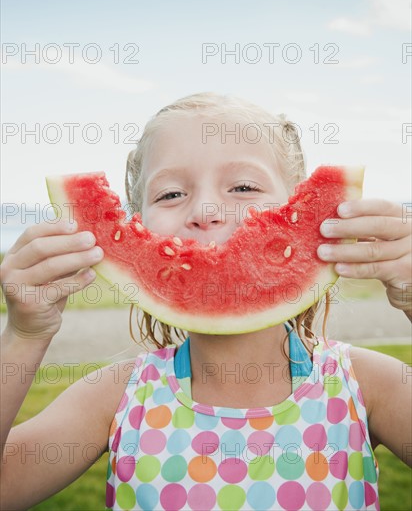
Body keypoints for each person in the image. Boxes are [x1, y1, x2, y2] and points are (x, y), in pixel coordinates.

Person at [1, 92, 411, 511]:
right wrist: (24, 334)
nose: (206, 210)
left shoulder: (364, 385)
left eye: (244, 186)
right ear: (136, 222)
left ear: (299, 209)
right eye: (170, 194)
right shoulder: (116, 397)